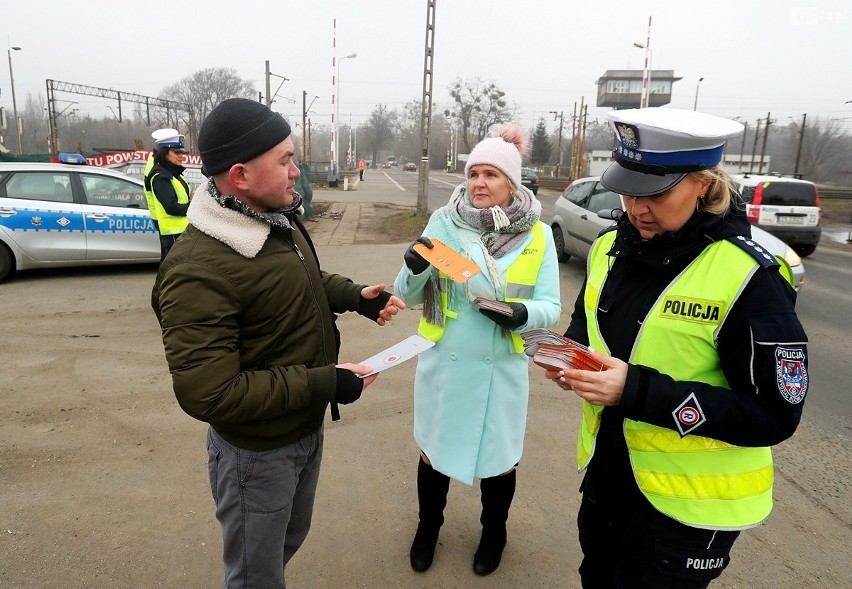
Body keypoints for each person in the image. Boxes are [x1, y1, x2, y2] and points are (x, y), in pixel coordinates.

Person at [544, 108, 809, 589]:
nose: (636, 208)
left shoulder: (751, 279)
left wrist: (635, 390)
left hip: (688, 510)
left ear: (704, 184)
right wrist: (570, 359)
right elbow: (587, 329)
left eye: (656, 194)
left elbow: (775, 414)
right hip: (610, 476)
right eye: (627, 190)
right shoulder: (609, 248)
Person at [151, 98, 405, 589]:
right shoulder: (197, 269)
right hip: (257, 454)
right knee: (254, 575)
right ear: (241, 176)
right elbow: (208, 394)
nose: (296, 172)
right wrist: (323, 383)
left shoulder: (268, 220)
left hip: (300, 431)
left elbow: (299, 280)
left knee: (287, 541)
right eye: (285, 160)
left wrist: (356, 297)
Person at [394, 125, 562, 576]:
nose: (479, 183)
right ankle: (428, 527)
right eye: (474, 174)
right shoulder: (443, 224)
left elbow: (551, 306)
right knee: (433, 453)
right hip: (445, 364)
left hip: (500, 368)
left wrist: (520, 313)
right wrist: (411, 270)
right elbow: (409, 296)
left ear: (512, 182)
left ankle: (495, 532)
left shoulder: (540, 235)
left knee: (498, 462)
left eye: (491, 174)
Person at [142, 128, 191, 262]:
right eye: (176, 152)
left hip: (179, 231)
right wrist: (194, 207)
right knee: (173, 272)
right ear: (165, 153)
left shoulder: (172, 172)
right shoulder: (160, 176)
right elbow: (171, 207)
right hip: (173, 233)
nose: (181, 155)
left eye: (181, 152)